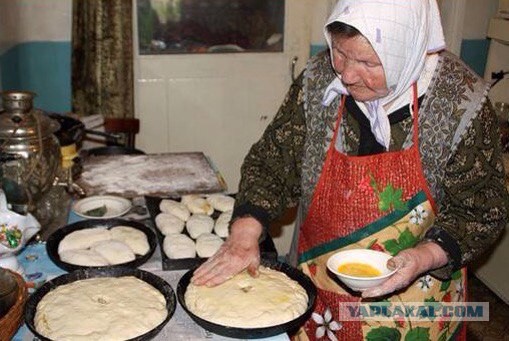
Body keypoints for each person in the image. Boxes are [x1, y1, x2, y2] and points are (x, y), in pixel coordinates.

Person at [192, 0, 509, 339]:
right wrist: (244, 235)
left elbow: (482, 208)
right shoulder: (317, 81)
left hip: (418, 304)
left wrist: (424, 256)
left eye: (368, 62)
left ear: (407, 50)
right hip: (324, 298)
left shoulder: (461, 103)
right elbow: (272, 161)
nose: (346, 74)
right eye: (340, 53)